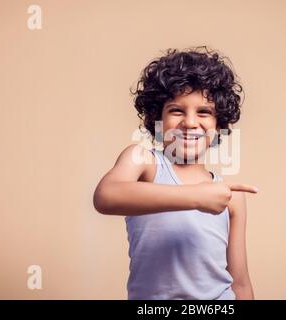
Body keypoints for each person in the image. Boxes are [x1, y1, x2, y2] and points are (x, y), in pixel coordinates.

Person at [93, 46, 257, 300]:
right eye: (177, 110)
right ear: (156, 118)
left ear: (219, 123)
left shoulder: (230, 196)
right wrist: (196, 197)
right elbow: (106, 196)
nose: (190, 122)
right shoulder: (143, 162)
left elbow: (241, 283)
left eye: (204, 112)